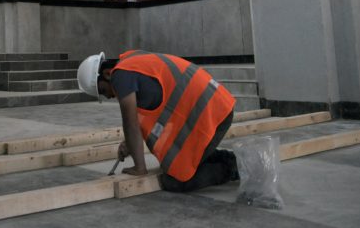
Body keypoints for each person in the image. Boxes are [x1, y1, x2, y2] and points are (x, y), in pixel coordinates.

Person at [77, 49, 239, 192]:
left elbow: (130, 123)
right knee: (174, 163)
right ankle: (228, 159)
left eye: (105, 91)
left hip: (214, 114)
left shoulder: (119, 76)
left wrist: (140, 167)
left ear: (106, 74)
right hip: (217, 106)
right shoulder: (131, 59)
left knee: (174, 181)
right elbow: (142, 113)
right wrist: (130, 143)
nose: (110, 96)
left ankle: (231, 168)